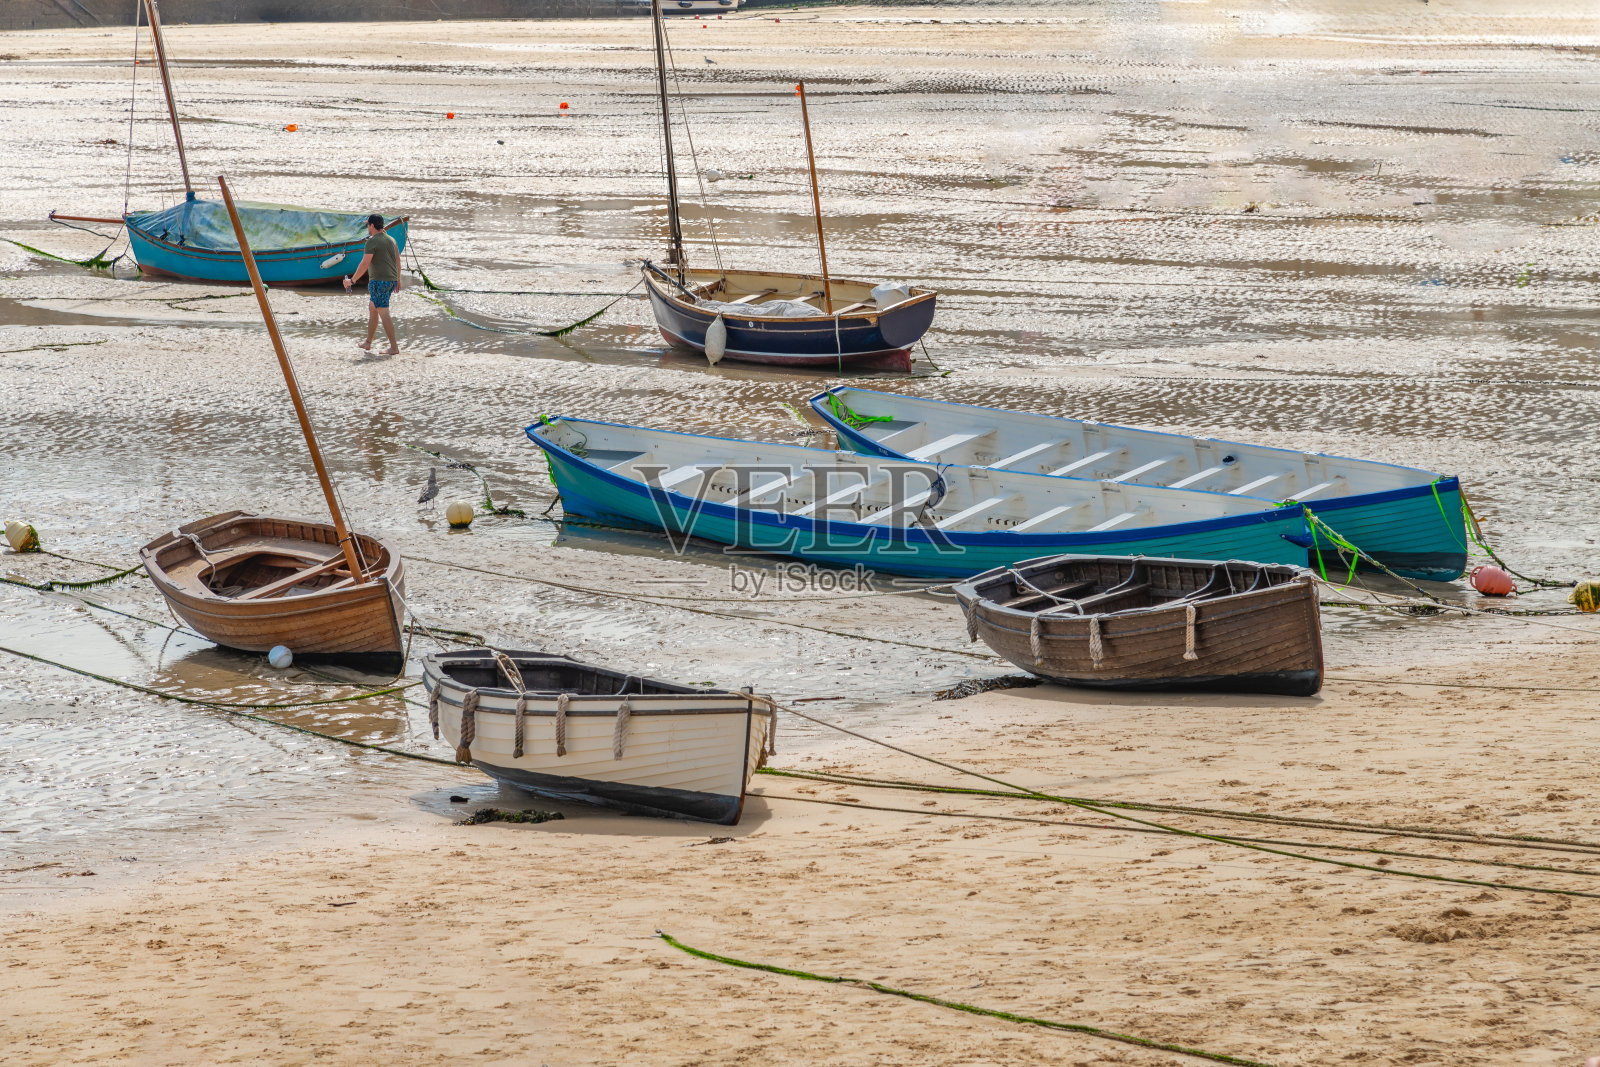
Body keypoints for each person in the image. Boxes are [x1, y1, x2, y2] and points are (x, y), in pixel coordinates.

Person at [344, 213, 402, 355]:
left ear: (372, 225)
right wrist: (398, 279)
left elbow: (365, 263)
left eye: (367, 225)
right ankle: (368, 342)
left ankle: (394, 347)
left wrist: (352, 281)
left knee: (383, 312)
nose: (367, 228)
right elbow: (398, 261)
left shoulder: (372, 241)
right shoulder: (391, 239)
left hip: (380, 282)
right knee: (373, 308)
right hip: (390, 280)